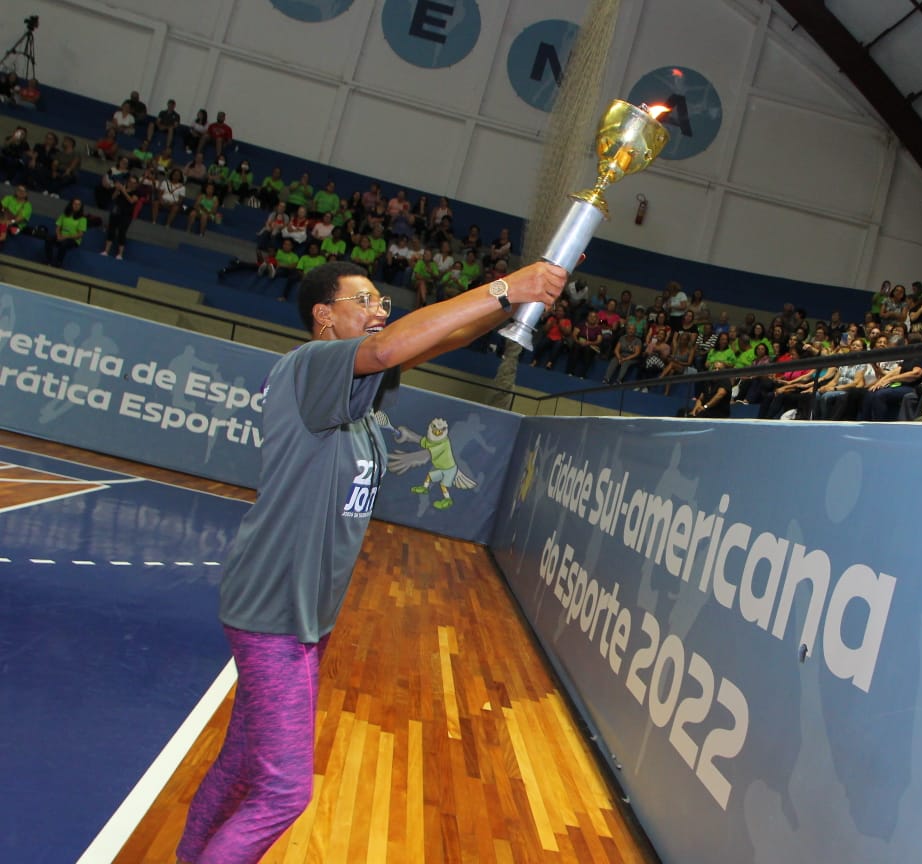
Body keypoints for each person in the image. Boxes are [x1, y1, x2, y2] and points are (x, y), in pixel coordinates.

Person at [175, 259, 565, 864]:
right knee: (283, 793)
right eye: (363, 301)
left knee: (241, 761)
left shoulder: (357, 392)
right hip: (273, 609)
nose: (379, 309)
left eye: (382, 300)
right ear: (323, 316)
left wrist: (510, 307)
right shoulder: (310, 366)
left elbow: (436, 339)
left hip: (305, 615)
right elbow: (387, 348)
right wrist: (503, 287)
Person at [100, 175, 139, 260]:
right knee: (111, 230)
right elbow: (113, 197)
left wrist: (123, 190)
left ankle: (120, 254)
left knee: (122, 233)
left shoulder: (136, 192)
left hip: (126, 215)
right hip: (116, 212)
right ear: (127, 182)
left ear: (136, 184)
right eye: (130, 182)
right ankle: (106, 251)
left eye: (134, 183)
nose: (131, 184)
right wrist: (117, 189)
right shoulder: (122, 189)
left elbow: (131, 200)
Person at [43, 198, 87, 267]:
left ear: (81, 207)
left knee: (64, 243)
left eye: (79, 205)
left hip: (73, 240)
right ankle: (49, 261)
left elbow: (80, 235)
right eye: (75, 204)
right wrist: (58, 235)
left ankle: (58, 262)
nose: (76, 206)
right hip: (61, 236)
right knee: (49, 238)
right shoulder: (64, 215)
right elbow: (58, 227)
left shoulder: (82, 219)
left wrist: (65, 237)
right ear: (71, 205)